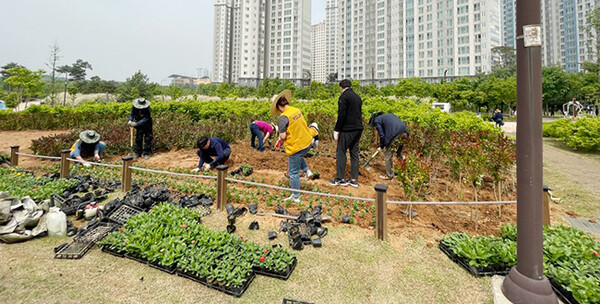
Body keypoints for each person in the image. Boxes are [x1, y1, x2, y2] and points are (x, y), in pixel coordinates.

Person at [271, 89, 314, 203]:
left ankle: (296, 197)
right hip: (307, 142)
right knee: (299, 156)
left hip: (297, 146)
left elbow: (283, 136)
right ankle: (307, 170)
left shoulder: (283, 117)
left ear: (278, 107)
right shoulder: (296, 110)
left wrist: (279, 135)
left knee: (293, 173)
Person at [329, 79, 363, 188]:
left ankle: (340, 179)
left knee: (341, 151)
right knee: (354, 153)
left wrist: (336, 129)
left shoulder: (343, 97)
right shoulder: (357, 97)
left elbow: (342, 114)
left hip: (347, 129)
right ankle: (353, 179)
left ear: (341, 87)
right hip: (358, 128)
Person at [369, 112, 409, 180]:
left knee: (388, 156)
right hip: (404, 132)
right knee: (399, 153)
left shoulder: (377, 120)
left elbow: (382, 135)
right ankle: (405, 172)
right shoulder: (389, 115)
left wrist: (382, 146)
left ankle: (390, 175)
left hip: (395, 135)